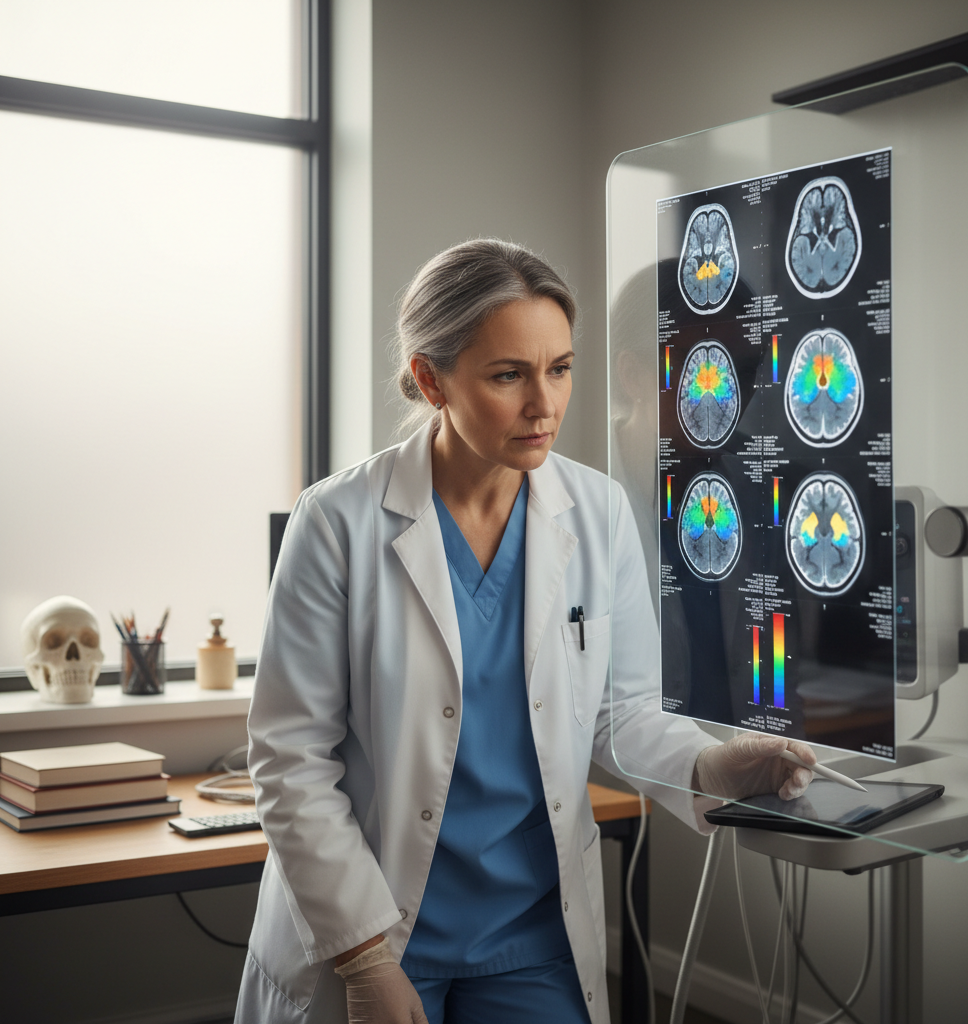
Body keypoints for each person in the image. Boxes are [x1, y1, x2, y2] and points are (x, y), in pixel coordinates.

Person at [233, 240, 815, 1024]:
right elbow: (291, 758)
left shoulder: (597, 510)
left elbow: (623, 709)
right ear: (432, 379)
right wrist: (365, 959)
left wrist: (710, 765)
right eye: (509, 375)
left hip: (533, 937)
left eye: (560, 369)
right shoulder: (337, 522)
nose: (545, 405)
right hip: (374, 931)